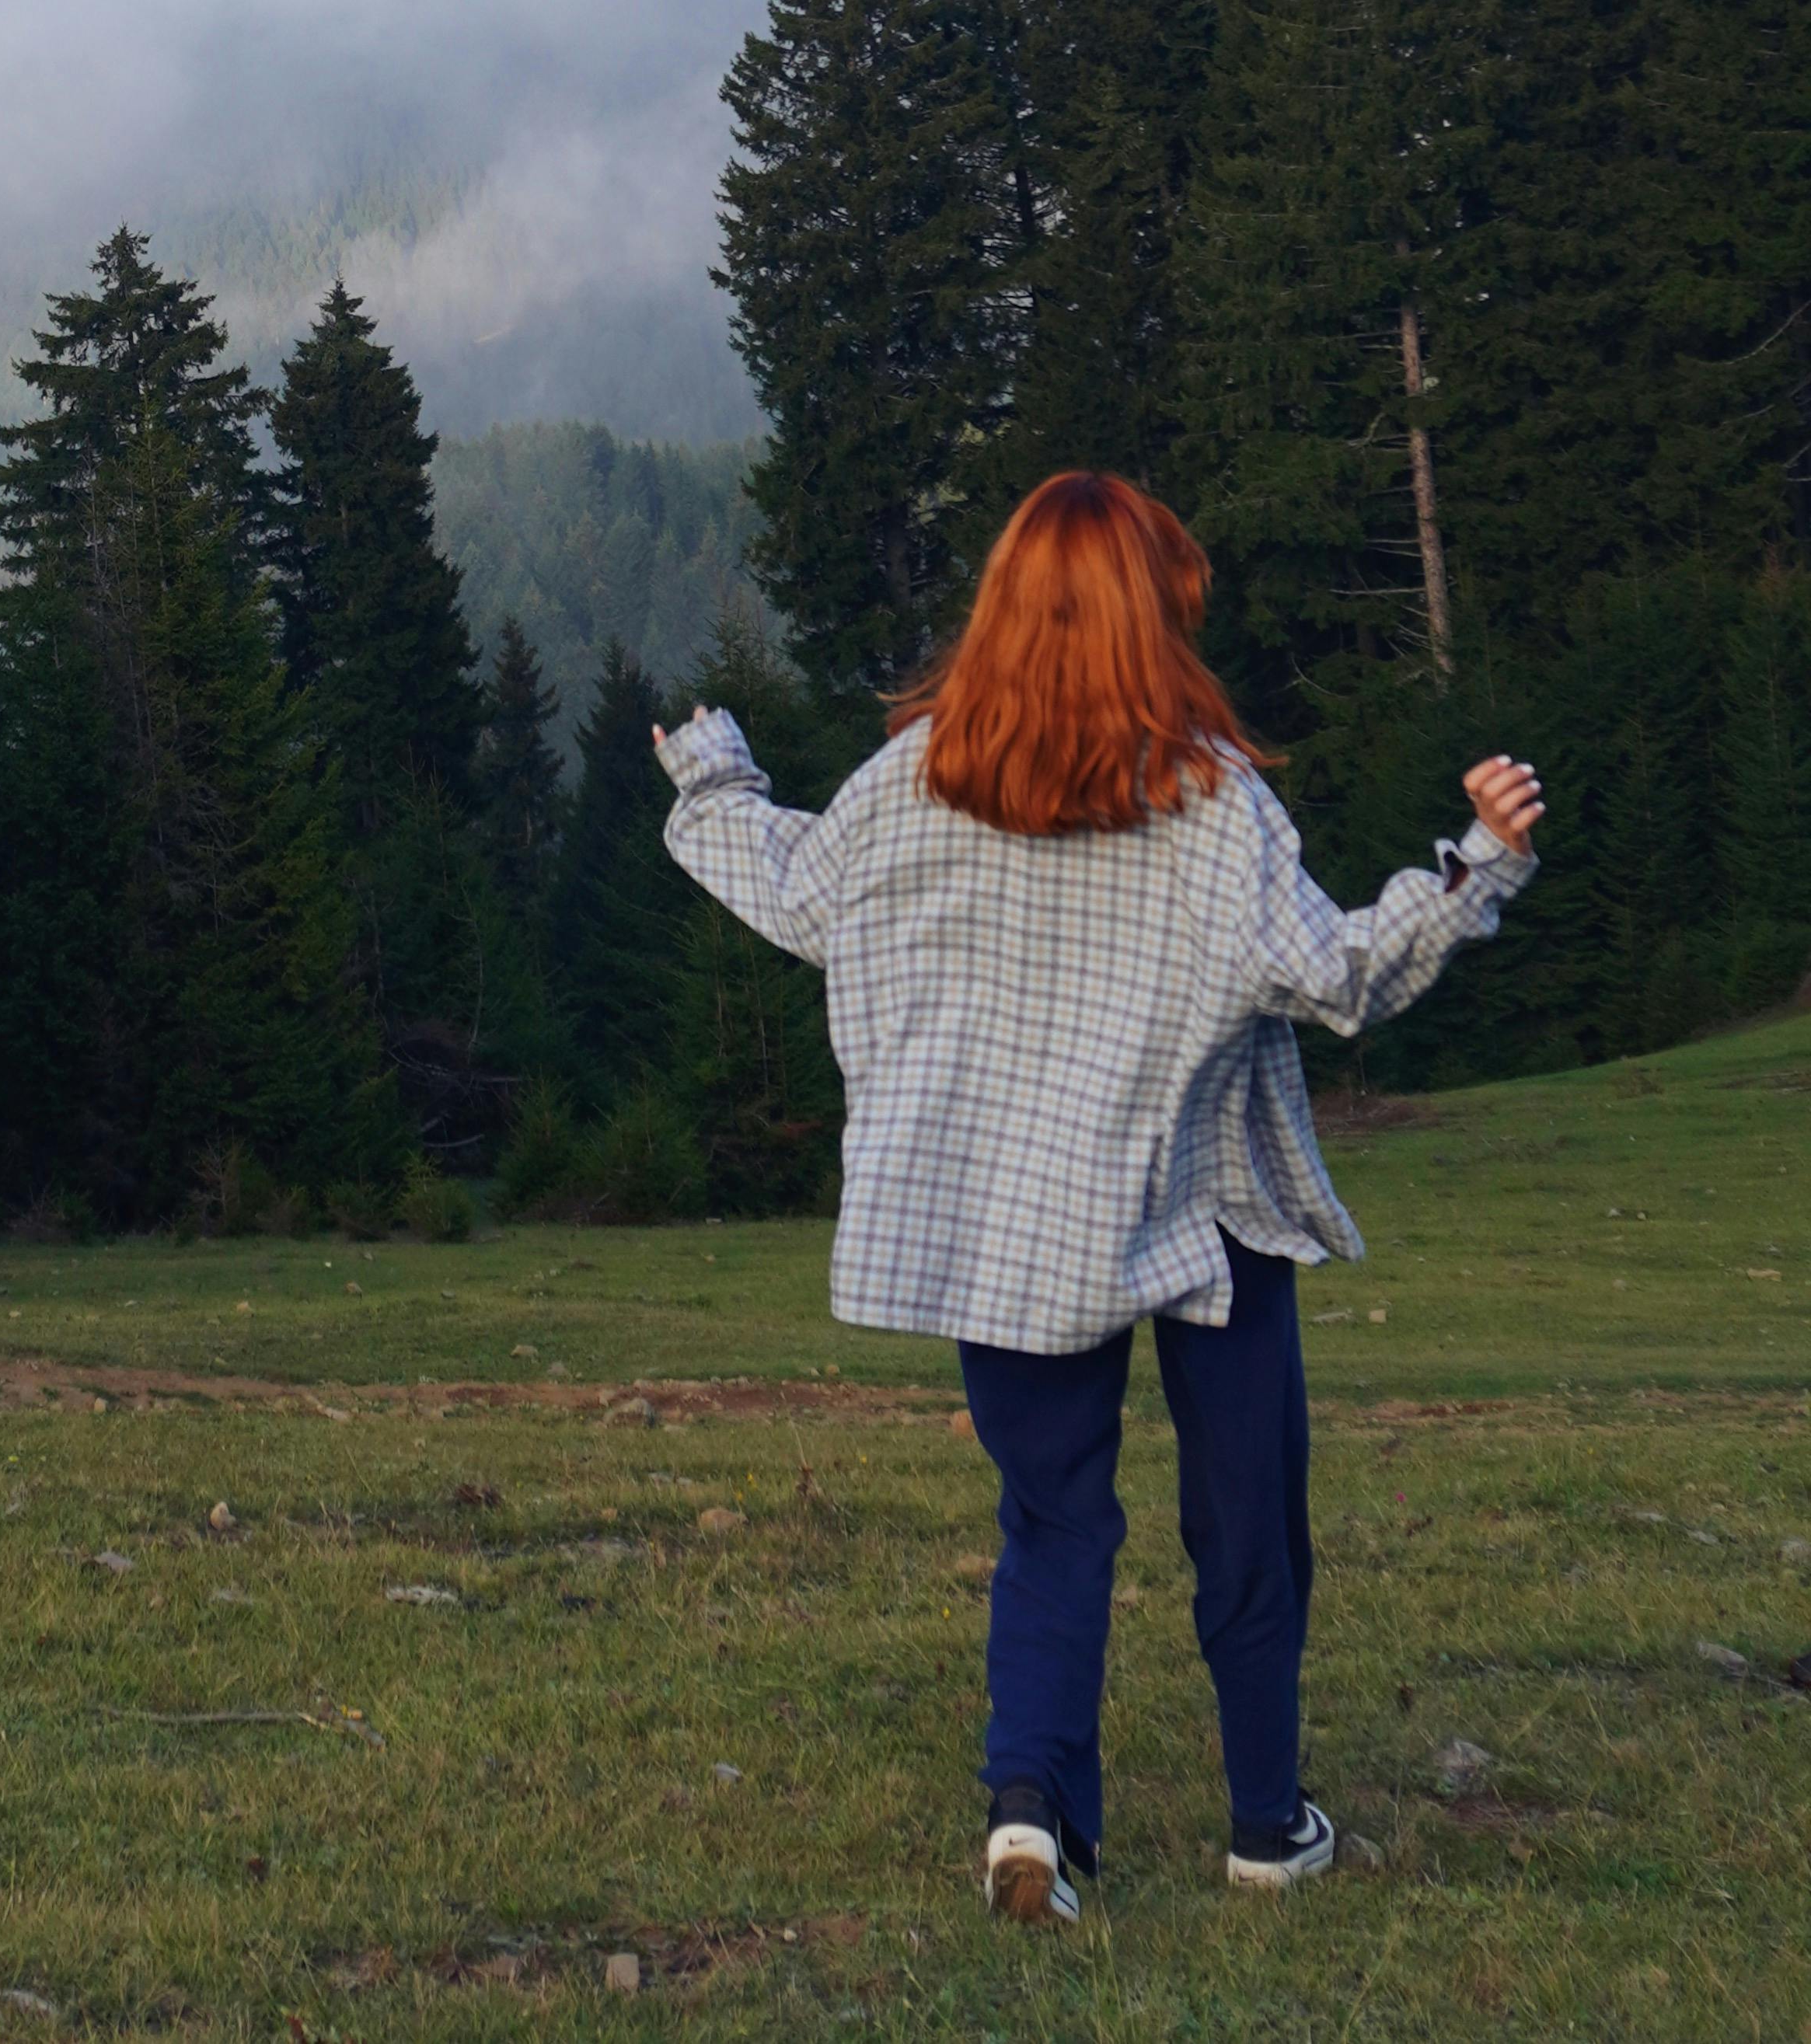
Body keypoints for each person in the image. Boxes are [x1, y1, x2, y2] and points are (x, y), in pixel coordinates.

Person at [654, 469, 1541, 1922]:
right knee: (1247, 1519)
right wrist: (1480, 866)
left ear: (1002, 606)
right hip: (1210, 1206)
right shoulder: (1213, 804)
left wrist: (713, 777)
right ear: (1154, 621)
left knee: (1053, 1519)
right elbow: (1343, 977)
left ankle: (1032, 1819)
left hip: (1008, 1227)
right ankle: (1268, 1826)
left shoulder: (919, 777)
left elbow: (791, 885)